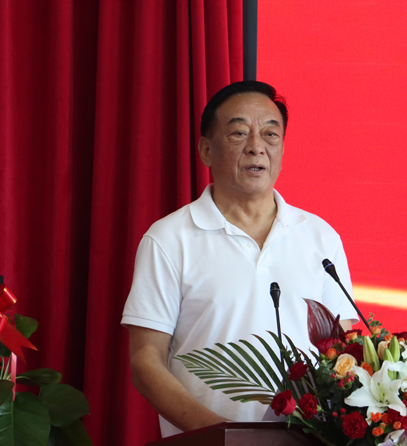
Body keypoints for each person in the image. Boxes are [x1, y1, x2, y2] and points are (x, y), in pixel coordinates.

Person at [121, 81, 358, 437]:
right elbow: (145, 360)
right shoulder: (169, 238)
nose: (256, 147)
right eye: (238, 133)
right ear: (206, 150)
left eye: (270, 134)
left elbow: (343, 350)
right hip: (206, 442)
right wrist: (222, 436)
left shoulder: (320, 236)